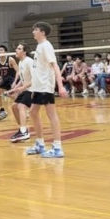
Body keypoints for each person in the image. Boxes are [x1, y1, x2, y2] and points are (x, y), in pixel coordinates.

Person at [26, 22, 68, 158]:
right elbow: (38, 70)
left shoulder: (46, 46)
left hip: (46, 86)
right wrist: (33, 87)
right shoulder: (39, 46)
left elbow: (55, 66)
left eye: (36, 29)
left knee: (51, 115)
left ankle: (57, 148)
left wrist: (60, 86)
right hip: (39, 87)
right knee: (33, 112)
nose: (33, 32)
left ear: (42, 32)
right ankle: (40, 144)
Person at [7, 43, 32, 142]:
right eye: (17, 48)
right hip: (26, 89)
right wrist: (14, 89)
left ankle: (24, 131)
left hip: (33, 89)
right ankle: (22, 129)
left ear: (24, 52)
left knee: (21, 106)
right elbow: (22, 79)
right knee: (14, 107)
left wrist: (22, 88)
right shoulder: (21, 63)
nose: (16, 50)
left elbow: (35, 79)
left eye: (19, 48)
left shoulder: (29, 62)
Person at [0, 45, 18, 121]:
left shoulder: (10, 59)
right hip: (4, 80)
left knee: (13, 96)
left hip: (12, 79)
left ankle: (24, 108)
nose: (0, 51)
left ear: (5, 52)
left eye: (1, 50)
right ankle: (2, 111)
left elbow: (18, 71)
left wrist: (15, 81)